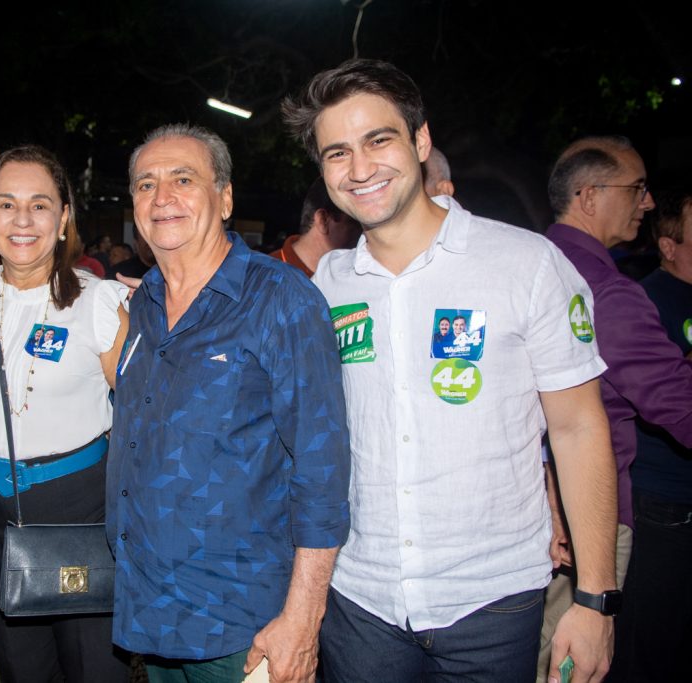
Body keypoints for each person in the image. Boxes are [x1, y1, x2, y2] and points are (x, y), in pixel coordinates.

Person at [283, 58, 619, 683]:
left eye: (378, 140)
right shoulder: (324, 286)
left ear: (420, 141)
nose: (360, 168)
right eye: (337, 153)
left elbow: (578, 429)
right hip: (359, 602)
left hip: (493, 600)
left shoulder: (527, 264)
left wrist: (595, 599)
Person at [107, 123, 351, 683]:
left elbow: (323, 472)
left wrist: (303, 617)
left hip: (243, 620)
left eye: (183, 179)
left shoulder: (282, 299)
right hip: (151, 606)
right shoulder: (143, 304)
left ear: (225, 199)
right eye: (146, 184)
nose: (162, 197)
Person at [0, 145, 130, 683]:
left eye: (39, 204)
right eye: (6, 204)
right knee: (21, 669)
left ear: (63, 217)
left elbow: (146, 418)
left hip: (79, 510)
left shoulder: (98, 303)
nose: (22, 220)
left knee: (94, 669)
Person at [542, 137, 692, 681]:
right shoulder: (606, 291)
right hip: (591, 519)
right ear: (589, 196)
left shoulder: (527, 266)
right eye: (637, 188)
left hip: (526, 514)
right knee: (573, 666)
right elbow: (678, 404)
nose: (647, 203)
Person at [611, 183, 692, 680]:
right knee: (648, 639)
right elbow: (655, 396)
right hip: (661, 502)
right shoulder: (644, 300)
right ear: (669, 245)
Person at [270, 176, 361, 277]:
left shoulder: (354, 274)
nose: (365, 233)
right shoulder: (266, 276)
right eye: (356, 223)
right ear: (323, 220)